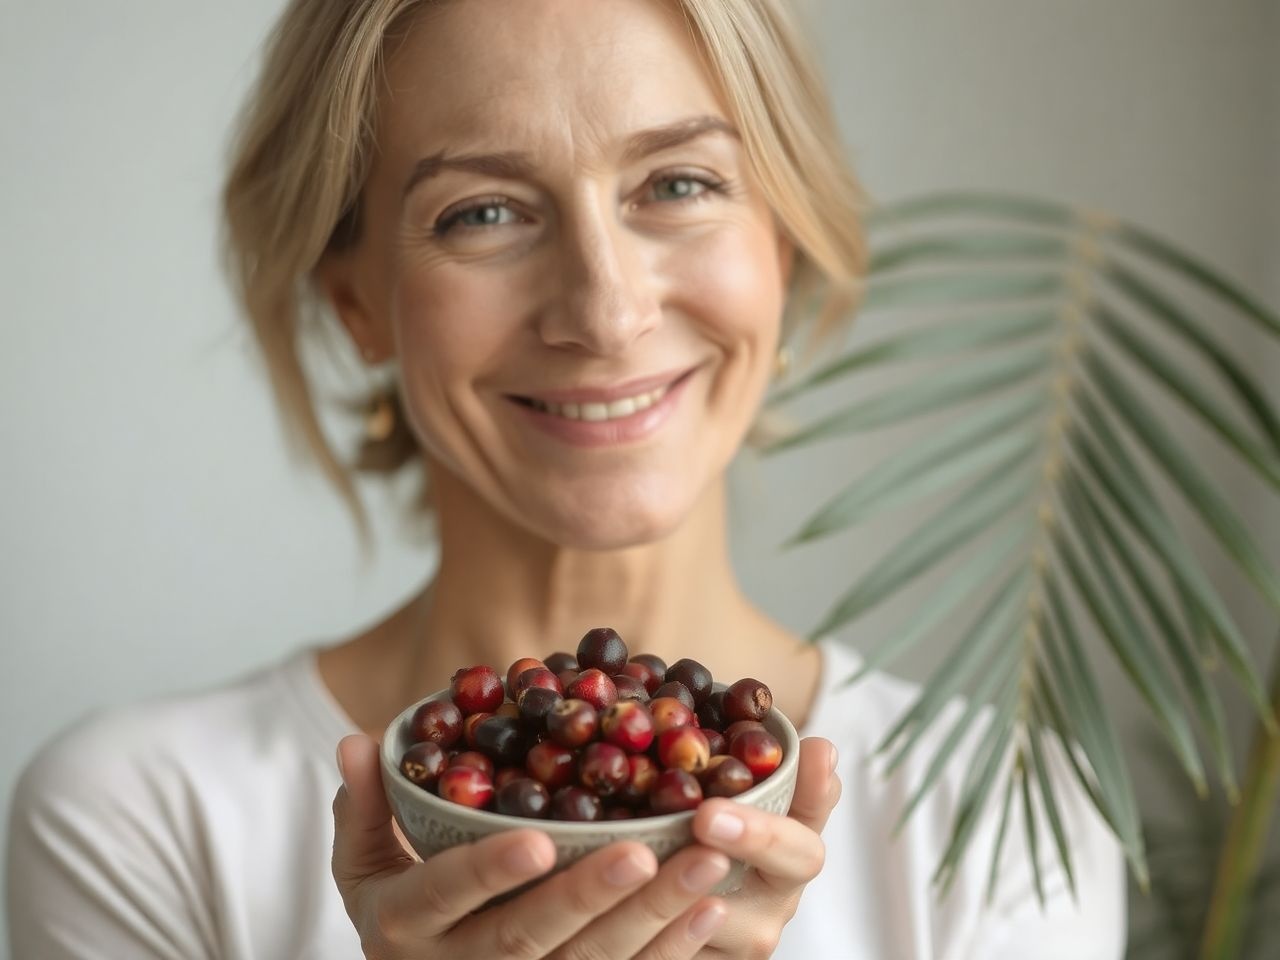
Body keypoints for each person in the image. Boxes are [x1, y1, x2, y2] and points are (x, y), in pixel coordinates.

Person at [6, 0, 1128, 956]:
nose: (604, 310)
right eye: (483, 212)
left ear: (779, 248)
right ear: (355, 300)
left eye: (679, 183)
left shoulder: (1003, 812)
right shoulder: (143, 820)